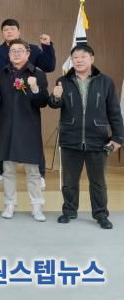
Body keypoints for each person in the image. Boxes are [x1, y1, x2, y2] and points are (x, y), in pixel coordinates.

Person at [49, 45, 124, 229]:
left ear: (92, 58)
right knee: (69, 182)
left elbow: (114, 112)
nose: (79, 60)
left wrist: (118, 138)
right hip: (70, 139)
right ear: (72, 60)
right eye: (75, 57)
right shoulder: (63, 81)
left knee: (98, 182)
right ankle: (69, 211)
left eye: (83, 56)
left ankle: (101, 215)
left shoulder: (105, 82)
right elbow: (54, 105)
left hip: (98, 140)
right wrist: (55, 97)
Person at [0, 19, 55, 186]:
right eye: (6, 29)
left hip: (28, 102)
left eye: (12, 29)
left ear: (19, 31)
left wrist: (47, 47)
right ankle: (1, 170)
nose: (9, 32)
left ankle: (40, 174)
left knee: (33, 139)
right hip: (5, 102)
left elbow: (49, 66)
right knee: (3, 137)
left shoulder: (32, 49)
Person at [0, 39, 49, 222]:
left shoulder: (38, 74)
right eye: (13, 51)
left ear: (28, 53)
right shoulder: (0, 74)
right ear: (8, 54)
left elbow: (43, 102)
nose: (16, 54)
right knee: (8, 170)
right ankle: (9, 204)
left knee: (33, 171)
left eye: (20, 50)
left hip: (29, 127)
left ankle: (37, 206)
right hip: (7, 126)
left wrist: (34, 88)